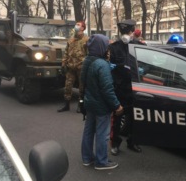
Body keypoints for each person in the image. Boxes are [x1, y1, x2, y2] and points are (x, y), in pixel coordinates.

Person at [81, 34, 123, 170]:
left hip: (90, 102)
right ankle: (101, 161)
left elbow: (83, 82)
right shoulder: (102, 65)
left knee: (88, 131)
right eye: (106, 46)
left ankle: (87, 158)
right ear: (101, 47)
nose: (108, 49)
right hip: (101, 106)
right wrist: (117, 105)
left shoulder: (87, 60)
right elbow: (107, 89)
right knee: (102, 134)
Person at [109, 19, 142, 156]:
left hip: (134, 87)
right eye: (124, 32)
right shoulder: (113, 47)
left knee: (134, 117)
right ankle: (115, 144)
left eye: (128, 31)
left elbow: (143, 64)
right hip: (120, 87)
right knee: (117, 117)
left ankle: (132, 142)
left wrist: (142, 70)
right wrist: (114, 67)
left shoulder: (137, 46)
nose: (127, 34)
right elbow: (109, 65)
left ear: (132, 32)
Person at [58, 21, 89, 113]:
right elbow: (66, 53)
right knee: (68, 86)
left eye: (78, 25)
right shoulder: (71, 40)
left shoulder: (86, 40)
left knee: (82, 88)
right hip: (70, 67)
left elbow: (89, 54)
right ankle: (66, 105)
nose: (76, 26)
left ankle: (80, 105)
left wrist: (87, 66)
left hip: (81, 68)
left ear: (83, 28)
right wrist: (63, 64)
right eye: (76, 24)